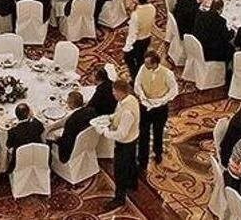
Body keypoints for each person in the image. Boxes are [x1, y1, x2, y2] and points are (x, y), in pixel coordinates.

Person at [133, 52, 177, 169]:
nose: (145, 64)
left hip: (160, 108)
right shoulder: (143, 68)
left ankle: (158, 153)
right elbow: (137, 84)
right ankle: (142, 159)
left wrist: (161, 100)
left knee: (158, 132)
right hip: (145, 106)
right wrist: (142, 96)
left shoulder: (167, 73)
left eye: (147, 63)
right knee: (143, 133)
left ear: (155, 63)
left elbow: (174, 90)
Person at [104, 80, 140, 211]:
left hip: (125, 143)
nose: (113, 94)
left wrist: (105, 133)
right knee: (131, 164)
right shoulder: (129, 99)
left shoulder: (127, 112)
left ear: (121, 92)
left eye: (114, 92)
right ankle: (133, 184)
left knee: (120, 171)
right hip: (133, 138)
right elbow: (117, 112)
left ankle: (119, 199)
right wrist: (110, 118)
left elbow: (122, 134)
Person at [50, 90, 96, 163]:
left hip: (69, 151)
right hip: (85, 142)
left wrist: (57, 139)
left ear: (71, 104)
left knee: (49, 135)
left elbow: (66, 141)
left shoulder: (71, 121)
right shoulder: (91, 111)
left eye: (67, 101)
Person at [122, 0, 155, 79]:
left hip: (137, 42)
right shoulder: (152, 8)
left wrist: (127, 48)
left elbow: (133, 34)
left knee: (128, 59)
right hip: (147, 38)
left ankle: (135, 76)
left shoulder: (136, 15)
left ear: (137, 0)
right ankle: (140, 74)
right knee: (140, 59)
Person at [5, 103, 44, 169]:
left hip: (20, 159)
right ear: (29, 114)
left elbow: (8, 145)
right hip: (36, 155)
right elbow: (41, 128)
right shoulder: (36, 124)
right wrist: (32, 116)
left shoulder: (13, 131)